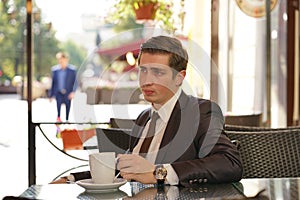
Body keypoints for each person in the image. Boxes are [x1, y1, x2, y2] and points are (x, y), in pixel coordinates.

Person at [52, 36, 242, 186]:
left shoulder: (201, 111)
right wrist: (72, 178)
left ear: (179, 77)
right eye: (143, 70)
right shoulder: (144, 117)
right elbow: (124, 168)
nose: (146, 80)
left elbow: (229, 163)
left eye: (157, 72)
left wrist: (158, 173)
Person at [49, 52, 77, 122]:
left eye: (63, 60)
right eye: (60, 60)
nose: (61, 62)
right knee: (58, 108)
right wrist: (51, 95)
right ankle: (58, 120)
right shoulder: (55, 70)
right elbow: (53, 83)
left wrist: (73, 92)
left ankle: (67, 121)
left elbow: (75, 82)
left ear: (66, 60)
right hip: (58, 92)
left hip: (68, 93)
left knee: (68, 108)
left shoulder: (72, 70)